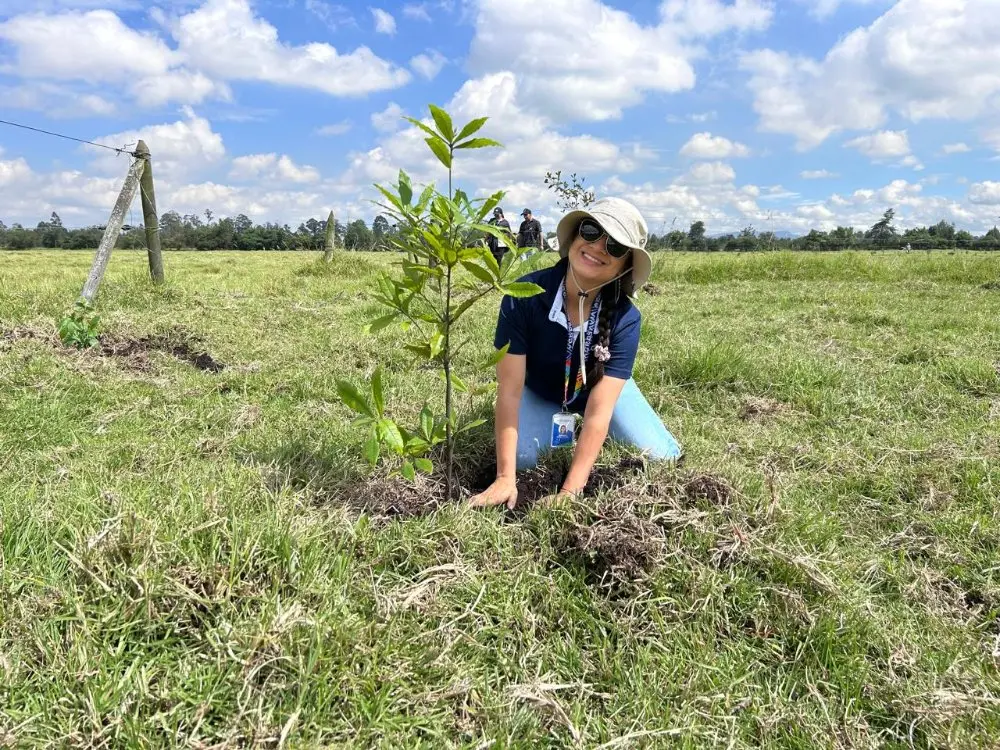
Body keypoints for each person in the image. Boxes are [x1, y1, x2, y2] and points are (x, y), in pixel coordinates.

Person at [470, 197, 682, 510]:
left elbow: (599, 411)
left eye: (616, 246)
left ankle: (597, 436)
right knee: (524, 457)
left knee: (661, 456)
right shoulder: (523, 296)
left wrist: (569, 492)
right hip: (540, 390)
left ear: (626, 264)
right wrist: (504, 477)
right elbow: (509, 391)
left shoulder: (626, 319)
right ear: (575, 235)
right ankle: (565, 428)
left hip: (598, 389)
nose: (598, 247)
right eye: (592, 231)